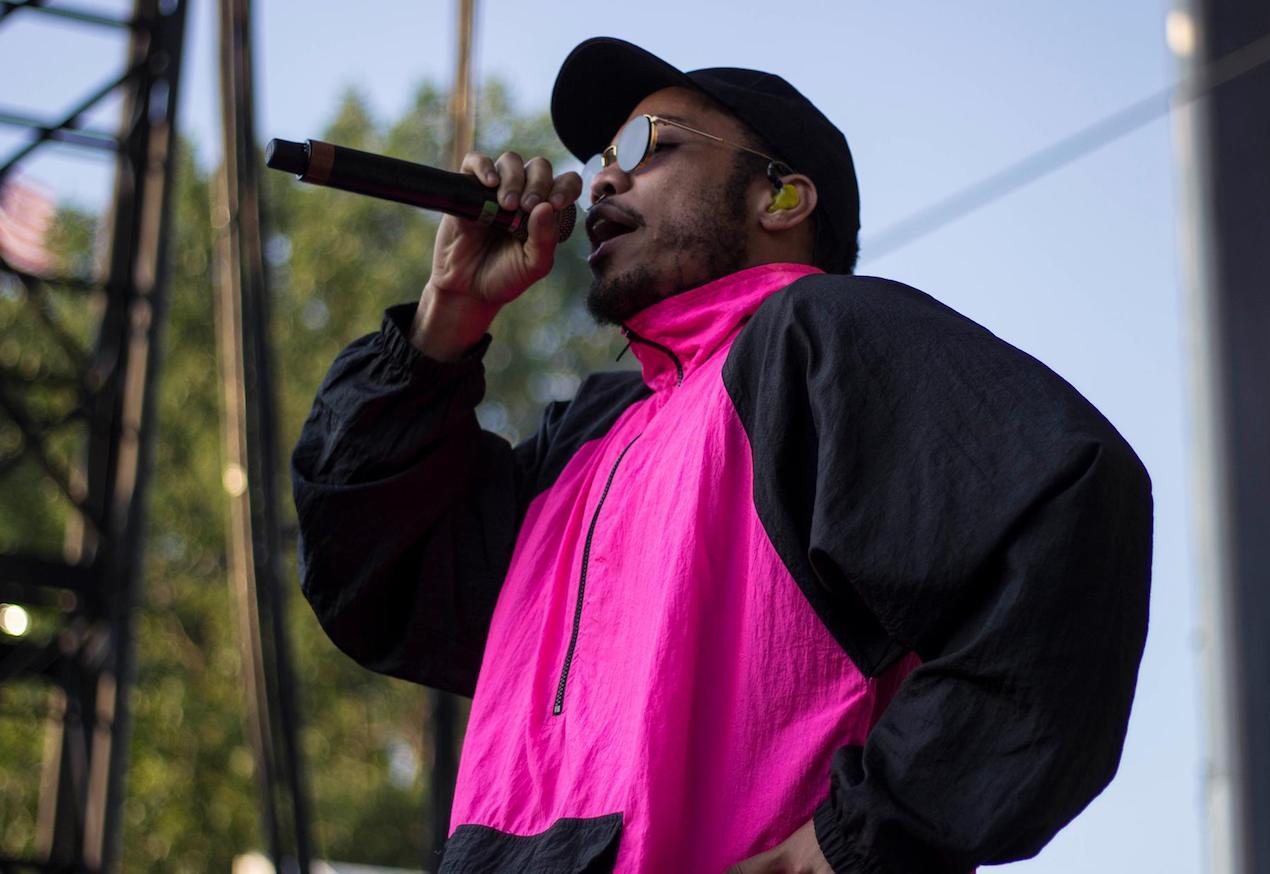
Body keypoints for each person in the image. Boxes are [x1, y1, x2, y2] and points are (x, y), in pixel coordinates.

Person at [292, 36, 1153, 874]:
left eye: (645, 143)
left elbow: (1071, 513)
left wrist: (858, 842)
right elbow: (372, 576)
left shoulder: (813, 343)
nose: (605, 176)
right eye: (598, 156)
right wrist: (447, 317)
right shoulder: (586, 438)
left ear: (780, 199)